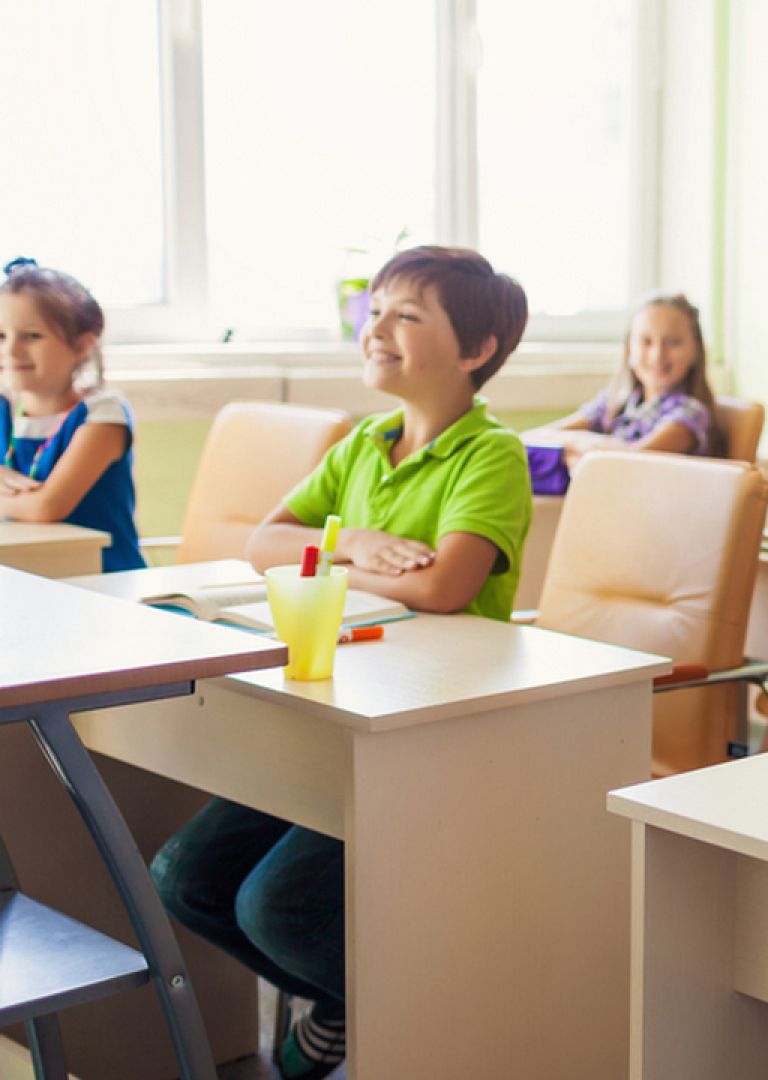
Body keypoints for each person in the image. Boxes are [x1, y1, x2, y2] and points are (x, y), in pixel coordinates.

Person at [156, 246, 531, 1079]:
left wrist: (321, 560)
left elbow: (443, 586)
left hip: (429, 728)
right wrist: (349, 540)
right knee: (182, 876)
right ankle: (355, 1003)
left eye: (408, 315)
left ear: (476, 351)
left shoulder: (490, 455)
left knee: (276, 906)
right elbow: (262, 544)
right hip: (339, 706)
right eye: (377, 309)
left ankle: (399, 1011)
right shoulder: (366, 443)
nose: (378, 329)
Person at [0, 258, 144, 571]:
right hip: (27, 578)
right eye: (1, 336)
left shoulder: (103, 415)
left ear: (82, 346)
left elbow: (45, 507)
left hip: (102, 581)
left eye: (32, 336)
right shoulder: (3, 409)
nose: (11, 351)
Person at [528, 292, 724, 463]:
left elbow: (628, 463)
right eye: (646, 341)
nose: (657, 355)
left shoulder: (690, 413)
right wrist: (586, 444)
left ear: (695, 350)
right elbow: (540, 437)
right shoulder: (616, 401)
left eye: (673, 342)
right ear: (629, 348)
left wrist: (583, 447)